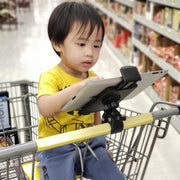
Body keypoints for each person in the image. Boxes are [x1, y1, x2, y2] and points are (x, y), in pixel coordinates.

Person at [37, 1, 125, 180]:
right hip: (56, 147)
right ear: (58, 44)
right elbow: (45, 109)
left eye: (96, 45)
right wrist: (79, 87)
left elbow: (95, 114)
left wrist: (101, 145)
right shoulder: (51, 77)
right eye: (82, 44)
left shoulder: (92, 76)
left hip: (88, 145)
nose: (90, 53)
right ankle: (44, 166)